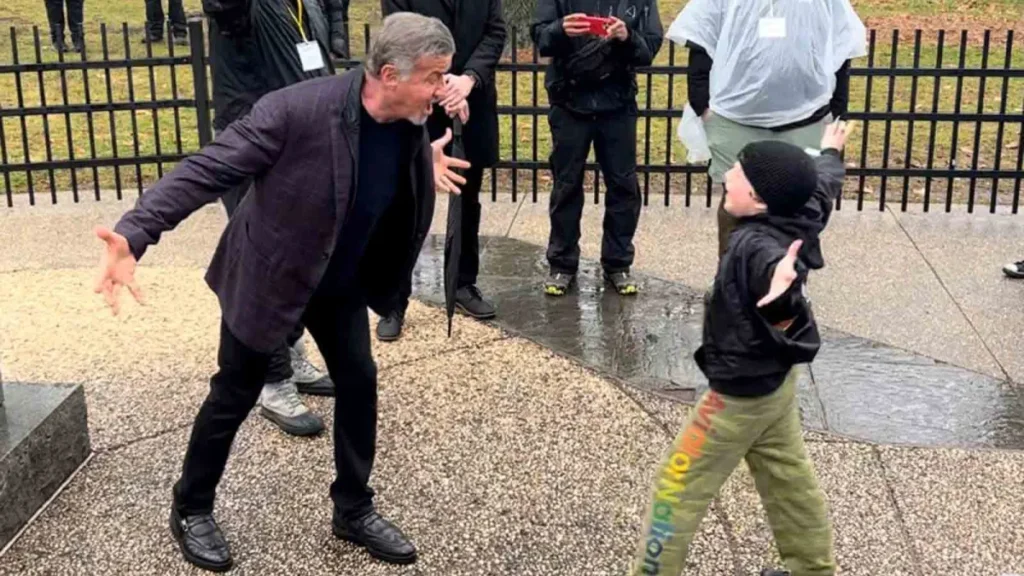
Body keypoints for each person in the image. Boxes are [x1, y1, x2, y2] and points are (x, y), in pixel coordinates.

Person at [92, 13, 469, 571]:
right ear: (390, 73)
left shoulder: (409, 117)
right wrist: (134, 233)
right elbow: (209, 167)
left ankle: (352, 508)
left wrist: (423, 158)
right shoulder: (295, 110)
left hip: (338, 280)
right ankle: (191, 505)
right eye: (435, 77)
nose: (443, 89)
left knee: (360, 381)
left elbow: (381, 170)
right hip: (271, 277)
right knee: (235, 393)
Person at [630, 120, 854, 576]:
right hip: (775, 384)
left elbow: (781, 299)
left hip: (740, 393)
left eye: (738, 171)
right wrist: (830, 153)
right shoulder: (799, 211)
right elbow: (822, 188)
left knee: (676, 486)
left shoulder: (757, 248)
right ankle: (812, 569)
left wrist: (782, 297)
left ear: (757, 199)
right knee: (788, 479)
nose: (728, 174)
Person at [203, 0, 349, 437]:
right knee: (261, 265)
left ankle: (291, 350)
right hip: (252, 139)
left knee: (299, 258)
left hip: (298, 139)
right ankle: (273, 381)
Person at [666, 0, 865, 256]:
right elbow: (701, 39)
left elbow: (842, 42)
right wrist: (701, 104)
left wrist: (837, 108)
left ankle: (789, 282)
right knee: (736, 204)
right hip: (735, 119)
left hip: (807, 117)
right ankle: (730, 281)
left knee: (798, 206)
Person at [378, 0, 506, 341]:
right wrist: (438, 85)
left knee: (467, 200)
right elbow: (398, 37)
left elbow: (495, 32)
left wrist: (468, 80)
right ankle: (394, 298)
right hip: (416, 104)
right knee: (404, 205)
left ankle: (463, 282)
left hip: (471, 101)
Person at [531, 0, 663, 297]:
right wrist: (560, 29)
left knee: (623, 185)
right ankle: (562, 264)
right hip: (569, 102)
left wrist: (626, 35)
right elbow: (540, 38)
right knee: (566, 185)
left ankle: (618, 264)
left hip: (618, 103)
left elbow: (649, 49)